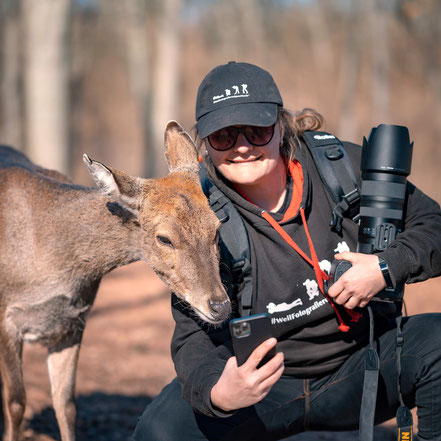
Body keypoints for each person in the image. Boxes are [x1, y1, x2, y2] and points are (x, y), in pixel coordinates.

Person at [133, 61, 441, 441]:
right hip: (261, 386)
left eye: (257, 130)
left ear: (281, 126)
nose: (242, 147)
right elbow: (192, 338)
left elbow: (434, 226)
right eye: (224, 136)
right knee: (158, 431)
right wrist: (220, 391)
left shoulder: (341, 167)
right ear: (205, 145)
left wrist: (385, 266)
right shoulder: (202, 213)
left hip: (363, 370)